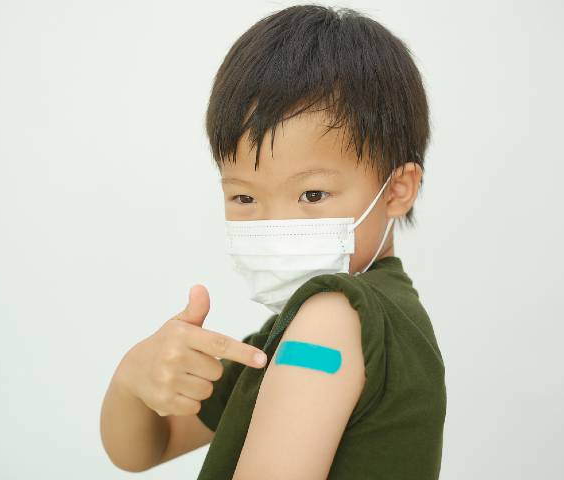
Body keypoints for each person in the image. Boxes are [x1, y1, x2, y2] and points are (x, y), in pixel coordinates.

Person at [100, 4, 446, 479]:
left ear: (397, 189)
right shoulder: (287, 335)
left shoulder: (331, 318)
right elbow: (143, 449)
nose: (274, 224)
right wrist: (132, 378)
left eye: (312, 194)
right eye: (244, 196)